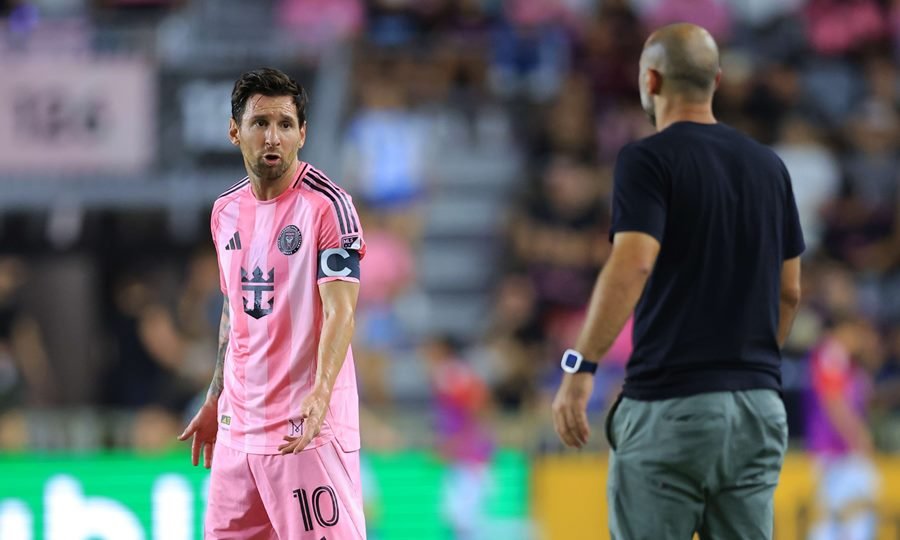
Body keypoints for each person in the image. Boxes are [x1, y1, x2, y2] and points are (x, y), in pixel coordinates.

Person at [551, 23, 805, 539]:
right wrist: (746, 370)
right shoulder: (770, 167)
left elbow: (634, 263)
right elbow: (790, 292)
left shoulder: (647, 159)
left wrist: (580, 367)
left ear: (650, 80)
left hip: (673, 406)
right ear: (716, 79)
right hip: (758, 407)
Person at [179, 68, 367, 539]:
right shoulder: (225, 211)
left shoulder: (329, 206)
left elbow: (341, 311)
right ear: (233, 130)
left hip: (305, 433)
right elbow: (234, 311)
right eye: (260, 122)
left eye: (285, 124)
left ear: (303, 134)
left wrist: (321, 394)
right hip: (237, 437)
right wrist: (214, 397)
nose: (273, 136)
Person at [805, 316, 882, 540]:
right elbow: (833, 401)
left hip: (839, 451)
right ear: (844, 329)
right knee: (850, 514)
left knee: (839, 517)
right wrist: (859, 438)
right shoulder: (832, 352)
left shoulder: (846, 361)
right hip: (837, 452)